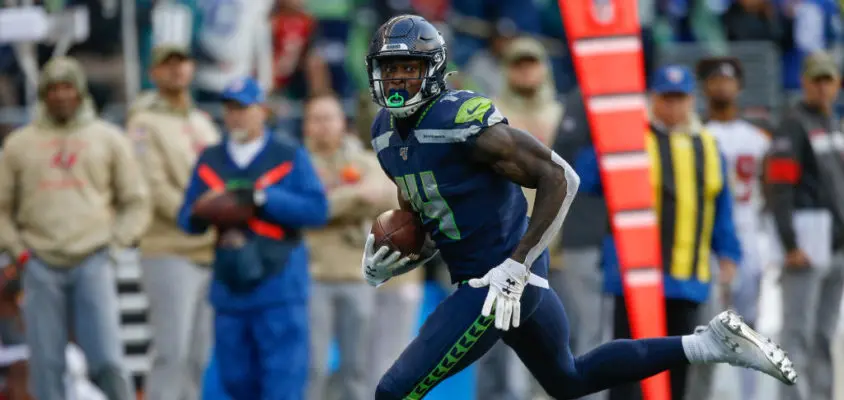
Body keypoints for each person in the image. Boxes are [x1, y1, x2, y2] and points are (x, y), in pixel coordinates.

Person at [360, 15, 797, 399]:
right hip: (494, 274)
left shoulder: (459, 119)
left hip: (499, 279)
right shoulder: (383, 133)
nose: (398, 80)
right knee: (568, 379)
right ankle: (708, 345)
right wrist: (400, 260)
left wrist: (515, 268)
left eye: (409, 69)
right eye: (390, 69)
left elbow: (561, 177)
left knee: (393, 391)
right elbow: (435, 218)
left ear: (433, 71)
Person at [0, 56, 150, 400]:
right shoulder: (20, 144)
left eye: (68, 87)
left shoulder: (107, 138)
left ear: (81, 92)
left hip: (92, 258)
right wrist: (19, 251)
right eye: (53, 88)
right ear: (42, 94)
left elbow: (136, 200)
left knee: (107, 359)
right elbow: (2, 209)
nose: (61, 95)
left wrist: (114, 246)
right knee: (46, 362)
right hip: (38, 261)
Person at [178, 76, 328, 400]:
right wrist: (202, 212)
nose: (236, 116)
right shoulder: (210, 159)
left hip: (280, 288)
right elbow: (187, 219)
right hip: (230, 289)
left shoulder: (288, 153)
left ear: (262, 110)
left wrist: (262, 198)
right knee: (235, 382)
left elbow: (317, 210)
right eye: (230, 108)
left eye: (244, 108)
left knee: (282, 384)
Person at [127, 44, 220, 400]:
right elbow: (151, 186)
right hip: (168, 249)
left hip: (207, 251)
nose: (177, 70)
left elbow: (222, 176)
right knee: (171, 352)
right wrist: (202, 216)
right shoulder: (143, 123)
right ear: (153, 74)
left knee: (198, 355)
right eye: (167, 65)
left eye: (182, 63)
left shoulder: (202, 122)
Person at [303, 92, 393, 400]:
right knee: (312, 367)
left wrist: (336, 202)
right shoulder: (298, 164)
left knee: (357, 368)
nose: (323, 126)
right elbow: (311, 209)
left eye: (329, 118)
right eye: (316, 119)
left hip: (357, 278)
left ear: (342, 122)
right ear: (306, 125)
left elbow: (392, 198)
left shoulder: (365, 160)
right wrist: (355, 197)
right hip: (312, 277)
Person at [766, 51, 844, 400]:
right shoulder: (793, 124)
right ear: (804, 82)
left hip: (836, 245)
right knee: (797, 333)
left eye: (829, 80)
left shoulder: (833, 124)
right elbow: (778, 187)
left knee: (823, 335)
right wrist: (790, 243)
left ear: (838, 84)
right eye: (817, 80)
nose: (823, 88)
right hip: (807, 245)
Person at [693, 56, 771, 400]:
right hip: (704, 239)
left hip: (750, 233)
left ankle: (749, 395)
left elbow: (770, 194)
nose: (722, 86)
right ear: (704, 86)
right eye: (715, 79)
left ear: (739, 86)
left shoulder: (759, 138)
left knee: (750, 326)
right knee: (706, 325)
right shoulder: (695, 135)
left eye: (728, 80)